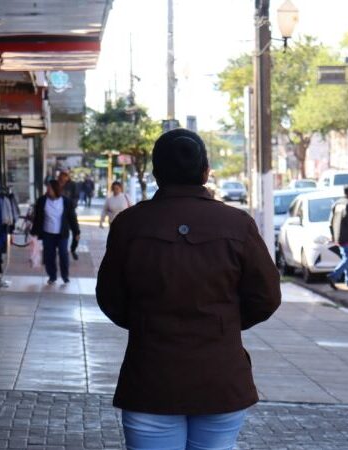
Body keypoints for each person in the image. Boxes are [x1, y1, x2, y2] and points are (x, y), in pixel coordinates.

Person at [96, 129, 281, 450]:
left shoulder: (129, 224)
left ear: (156, 174)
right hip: (221, 377)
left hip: (150, 377)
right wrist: (223, 323)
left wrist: (146, 321)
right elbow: (266, 297)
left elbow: (110, 298)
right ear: (206, 172)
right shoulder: (237, 224)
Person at [30, 180, 80, 285]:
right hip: (47, 234)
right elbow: (37, 218)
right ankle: (52, 276)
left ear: (56, 189)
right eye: (47, 188)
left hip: (62, 234)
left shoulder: (66, 201)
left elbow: (72, 218)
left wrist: (76, 232)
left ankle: (65, 276)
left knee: (63, 254)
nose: (48, 190)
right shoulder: (42, 201)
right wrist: (34, 232)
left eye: (50, 188)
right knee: (49, 256)